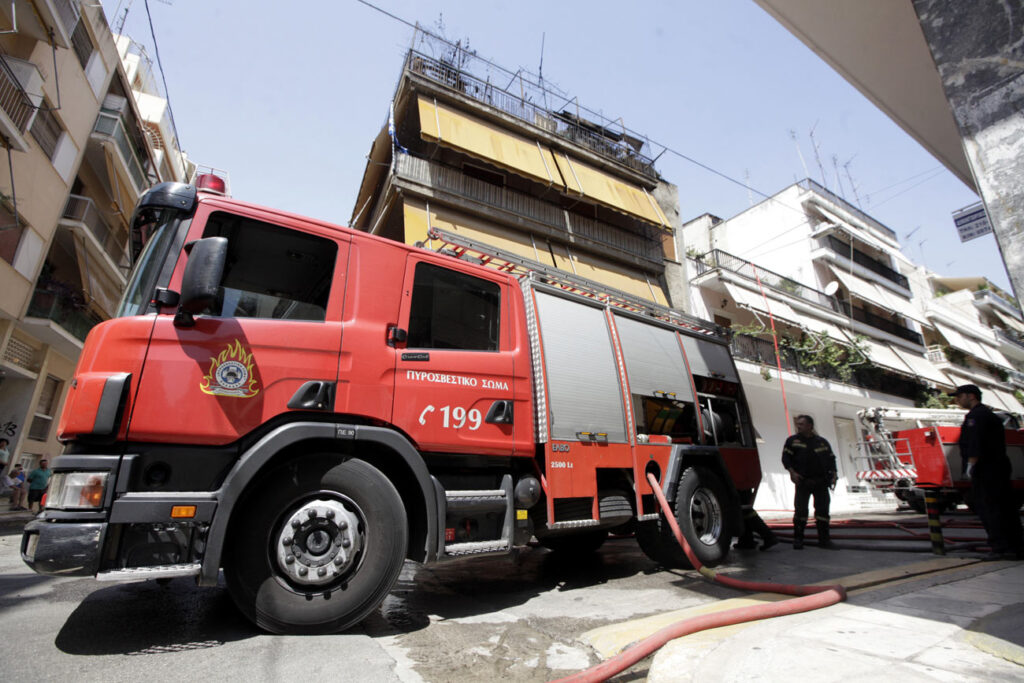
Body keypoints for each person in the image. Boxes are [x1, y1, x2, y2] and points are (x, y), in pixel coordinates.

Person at [951, 384, 1024, 560]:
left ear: (971, 396)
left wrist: (971, 464)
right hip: (997, 468)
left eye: (959, 397)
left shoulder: (976, 416)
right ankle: (1015, 547)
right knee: (1005, 508)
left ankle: (1001, 548)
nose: (957, 400)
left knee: (991, 509)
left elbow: (976, 442)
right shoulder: (988, 415)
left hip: (986, 469)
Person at [782, 414, 838, 550]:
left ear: (810, 426)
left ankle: (824, 540)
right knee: (801, 512)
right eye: (798, 424)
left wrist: (835, 475)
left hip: (821, 482)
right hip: (803, 482)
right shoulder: (792, 441)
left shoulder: (822, 442)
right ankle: (798, 539)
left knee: (823, 512)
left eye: (801, 424)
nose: (798, 426)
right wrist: (792, 473)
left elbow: (831, 459)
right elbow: (786, 458)